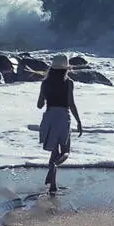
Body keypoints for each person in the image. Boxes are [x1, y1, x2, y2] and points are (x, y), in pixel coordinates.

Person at [37, 54, 82, 193]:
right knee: (66, 151)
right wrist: (79, 121)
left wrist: (47, 96)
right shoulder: (68, 82)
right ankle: (55, 166)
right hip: (63, 116)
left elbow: (39, 105)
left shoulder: (45, 83)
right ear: (66, 68)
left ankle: (53, 185)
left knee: (54, 151)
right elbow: (71, 103)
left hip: (49, 116)